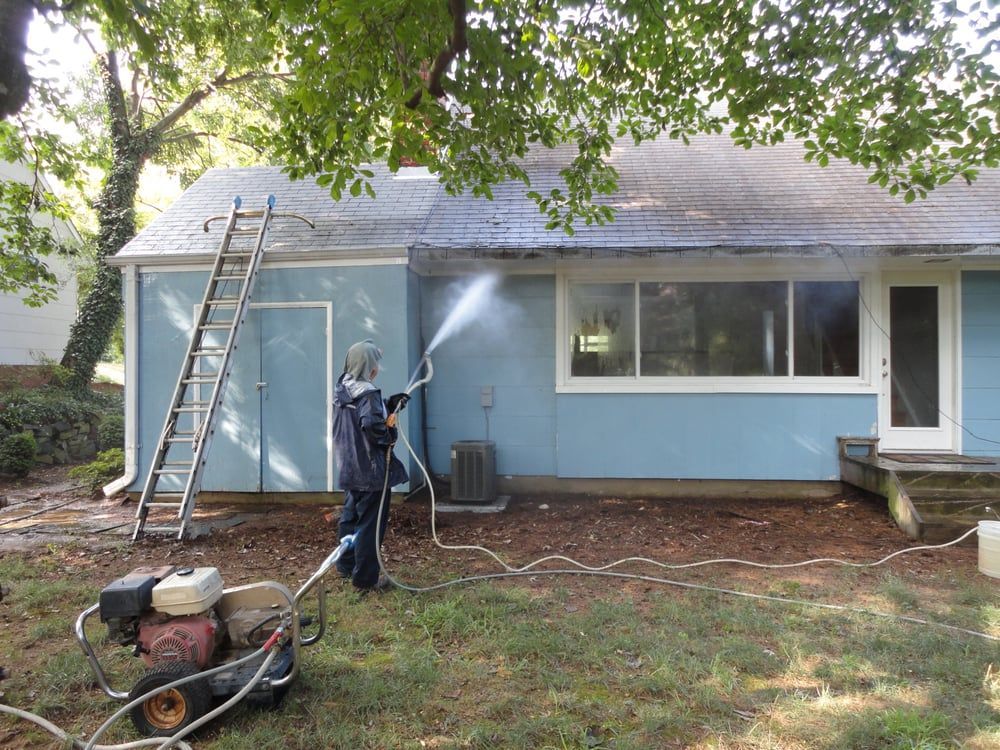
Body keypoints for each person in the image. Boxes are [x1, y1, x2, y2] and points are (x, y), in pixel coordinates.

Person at [332, 340, 411, 592]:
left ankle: (345, 565)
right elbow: (369, 423)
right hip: (371, 470)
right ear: (368, 366)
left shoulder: (342, 387)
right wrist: (388, 437)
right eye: (375, 363)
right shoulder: (367, 392)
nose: (377, 369)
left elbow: (360, 417)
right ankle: (365, 580)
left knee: (350, 518)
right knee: (369, 525)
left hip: (349, 467)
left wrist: (388, 403)